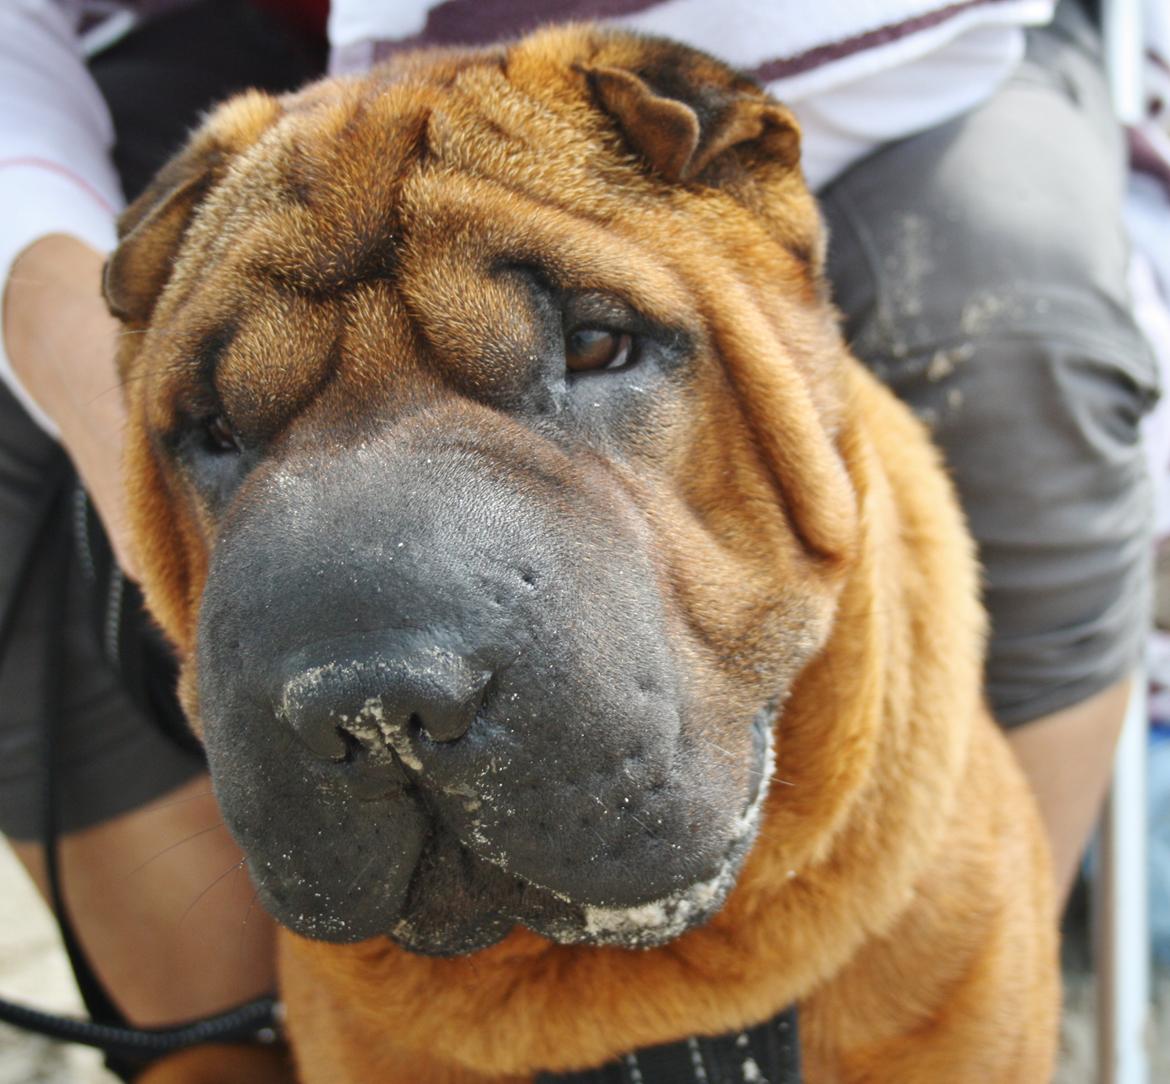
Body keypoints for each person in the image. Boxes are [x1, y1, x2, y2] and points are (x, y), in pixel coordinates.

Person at [1, 0, 1165, 1056]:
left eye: (595, 347)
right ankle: (217, 1053)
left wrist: (648, 155)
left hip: (840, 59)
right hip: (194, 68)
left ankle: (979, 984)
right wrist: (64, 327)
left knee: (1014, 317)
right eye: (221, 425)